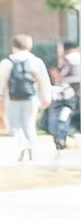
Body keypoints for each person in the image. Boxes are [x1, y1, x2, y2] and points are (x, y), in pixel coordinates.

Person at [4, 35, 52, 164]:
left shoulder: (6, 62)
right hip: (31, 98)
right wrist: (45, 96)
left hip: (12, 99)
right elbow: (43, 81)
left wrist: (3, 99)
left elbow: (2, 83)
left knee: (15, 126)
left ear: (13, 46)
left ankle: (21, 146)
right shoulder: (35, 61)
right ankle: (32, 151)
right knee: (29, 125)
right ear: (29, 45)